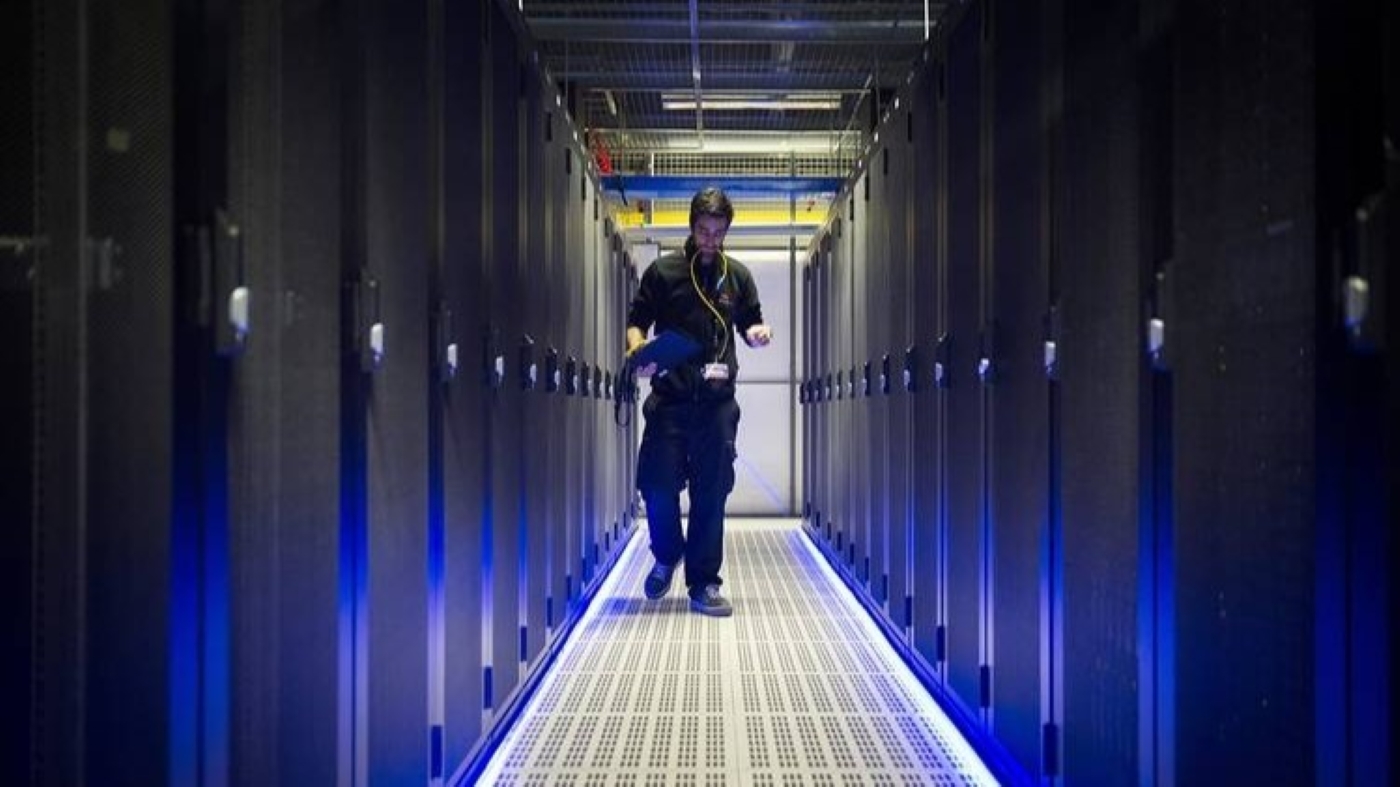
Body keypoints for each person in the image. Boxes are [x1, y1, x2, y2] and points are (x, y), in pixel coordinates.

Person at [625, 187, 772, 617]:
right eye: (704, 231)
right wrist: (638, 353)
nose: (710, 240)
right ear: (691, 226)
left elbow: (750, 323)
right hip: (670, 400)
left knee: (711, 492)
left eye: (718, 233)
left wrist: (759, 334)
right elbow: (636, 322)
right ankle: (667, 554)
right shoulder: (663, 272)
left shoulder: (738, 276)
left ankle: (704, 582)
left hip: (716, 405)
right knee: (656, 485)